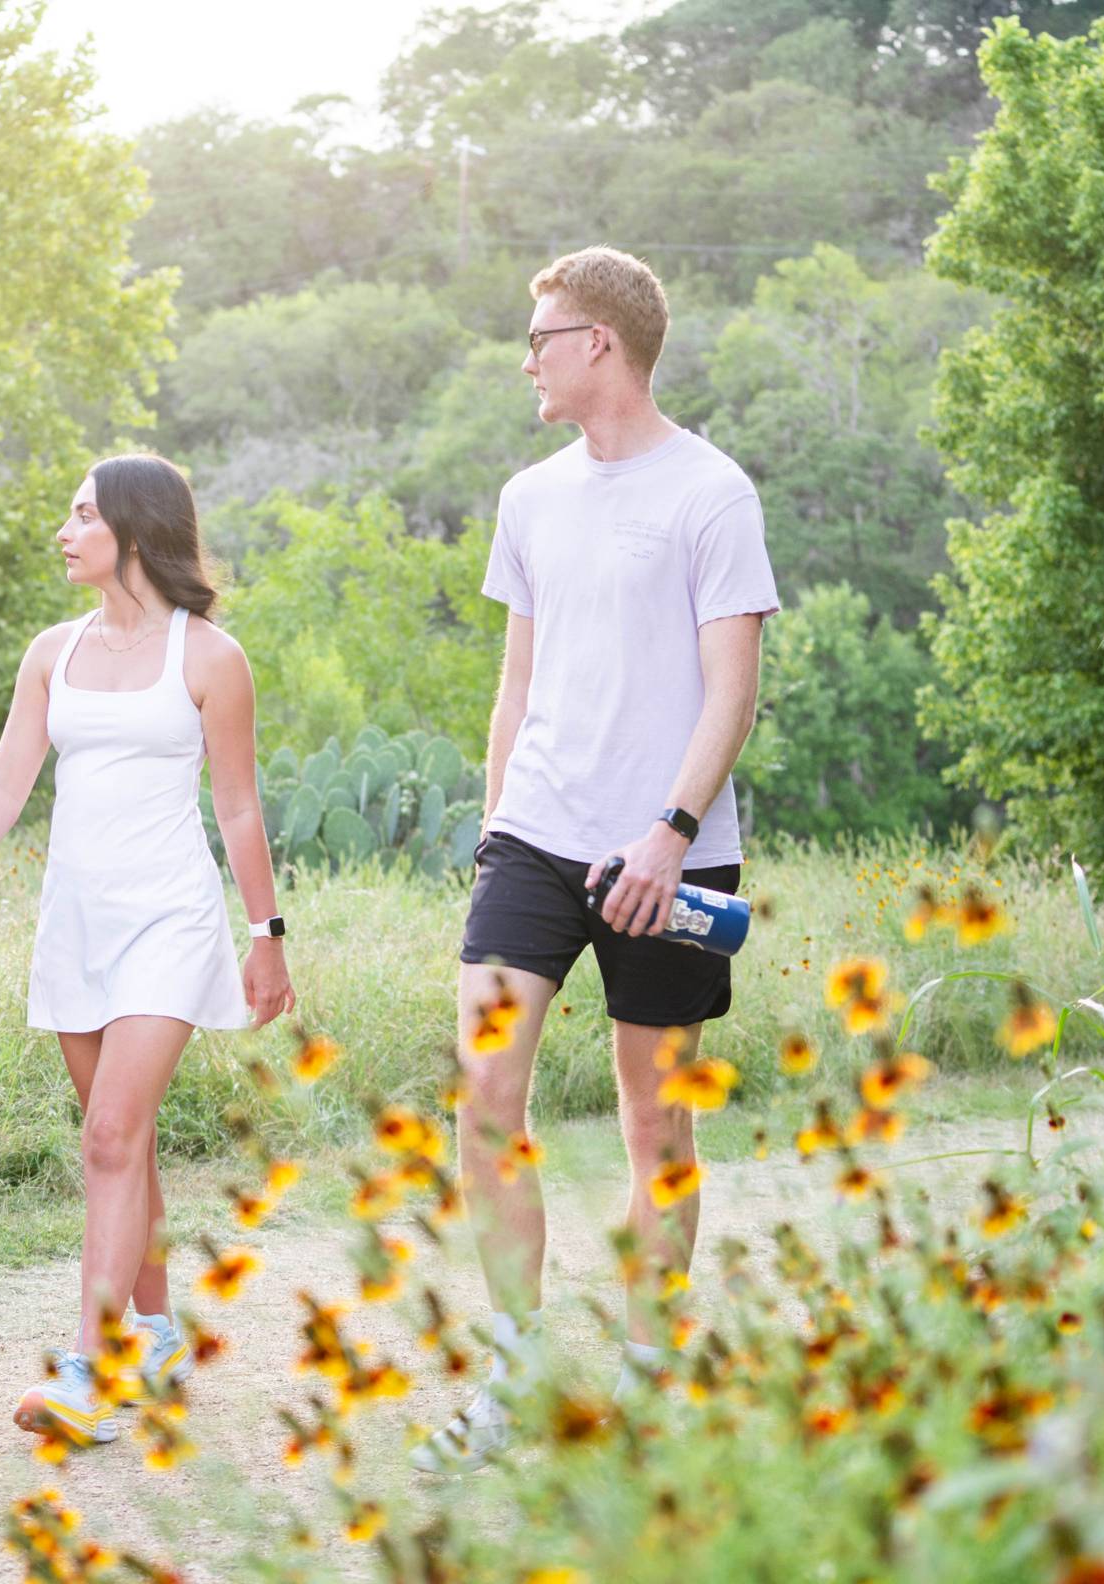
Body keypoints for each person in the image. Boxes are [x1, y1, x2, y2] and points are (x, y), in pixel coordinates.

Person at [414, 247, 779, 1473]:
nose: (527, 359)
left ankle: (645, 1378)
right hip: (532, 836)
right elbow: (517, 681)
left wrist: (672, 835)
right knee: (484, 1102)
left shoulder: (712, 493)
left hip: (671, 853)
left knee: (654, 1130)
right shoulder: (531, 498)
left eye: (541, 338)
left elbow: (735, 687)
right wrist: (489, 826)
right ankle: (513, 1375)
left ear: (601, 345)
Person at [0, 452, 294, 1449]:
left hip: (169, 918)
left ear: (132, 527)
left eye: (81, 515)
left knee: (110, 1139)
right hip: (74, 924)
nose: (64, 531)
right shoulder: (51, 651)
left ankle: (91, 1369)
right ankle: (161, 1333)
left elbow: (240, 804)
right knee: (118, 1138)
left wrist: (267, 937)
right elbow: (6, 783)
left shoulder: (210, 657)